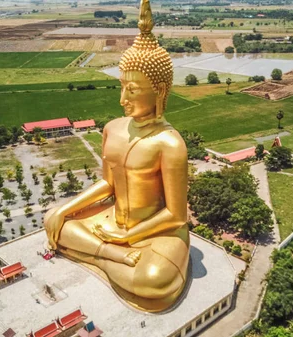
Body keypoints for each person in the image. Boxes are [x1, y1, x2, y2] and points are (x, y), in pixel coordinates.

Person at [44, 0, 189, 313]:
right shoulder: (113, 128)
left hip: (156, 231)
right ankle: (110, 259)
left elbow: (177, 216)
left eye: (133, 90)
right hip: (113, 223)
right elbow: (108, 185)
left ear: (160, 90)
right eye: (122, 87)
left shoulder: (170, 144)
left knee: (156, 281)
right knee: (52, 219)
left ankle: (95, 254)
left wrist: (127, 236)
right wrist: (66, 210)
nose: (123, 99)